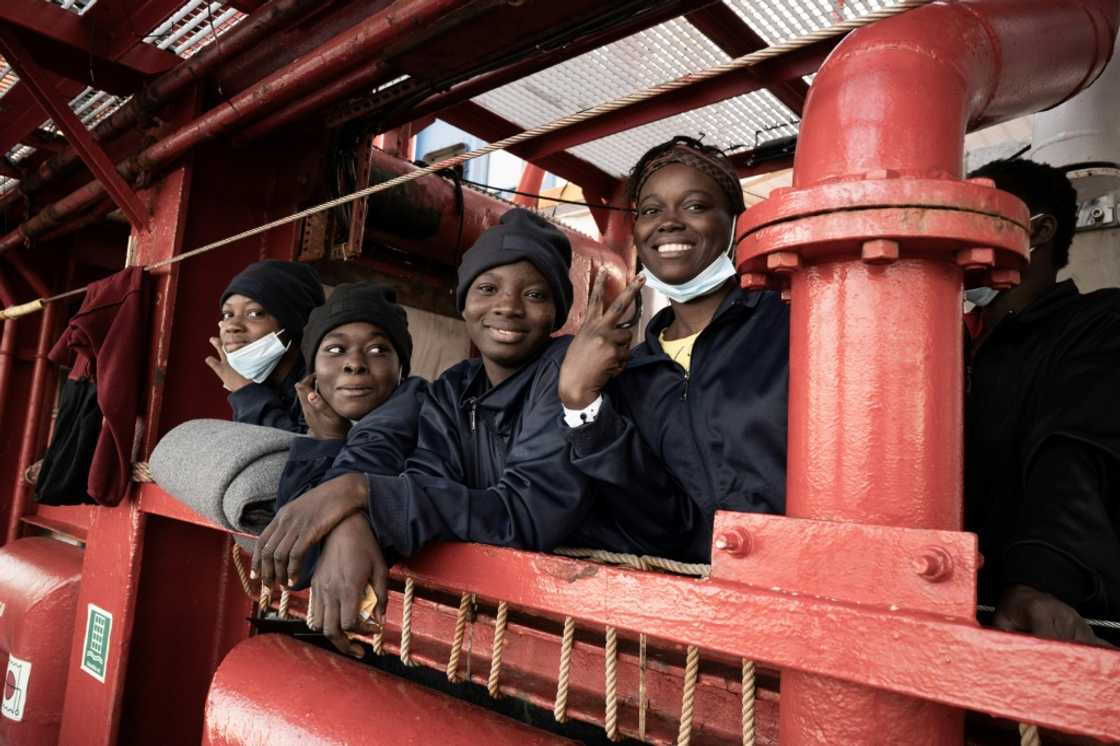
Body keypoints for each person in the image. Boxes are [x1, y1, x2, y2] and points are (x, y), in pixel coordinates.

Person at [252, 208, 596, 652]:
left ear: (557, 312)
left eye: (534, 294)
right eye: (488, 289)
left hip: (579, 620)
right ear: (464, 301)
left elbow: (527, 513)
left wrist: (359, 493)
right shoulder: (455, 387)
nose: (507, 306)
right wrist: (349, 519)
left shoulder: (565, 370)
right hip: (498, 623)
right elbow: (423, 480)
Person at [557, 136, 789, 562]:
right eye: (650, 211)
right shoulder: (631, 371)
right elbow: (656, 521)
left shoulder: (788, 325)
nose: (668, 222)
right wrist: (582, 404)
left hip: (804, 592)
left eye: (695, 206)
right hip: (687, 607)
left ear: (735, 225)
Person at [964, 158, 1120, 646]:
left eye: (977, 214)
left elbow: (1073, 452)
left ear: (1041, 229)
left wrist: (1042, 579)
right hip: (946, 604)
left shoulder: (1100, 325)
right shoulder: (949, 342)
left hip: (1040, 615)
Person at [206, 259, 325, 432]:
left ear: (293, 322)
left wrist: (246, 392)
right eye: (227, 314)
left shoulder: (324, 386)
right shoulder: (265, 381)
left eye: (255, 314)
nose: (232, 325)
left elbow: (285, 454)